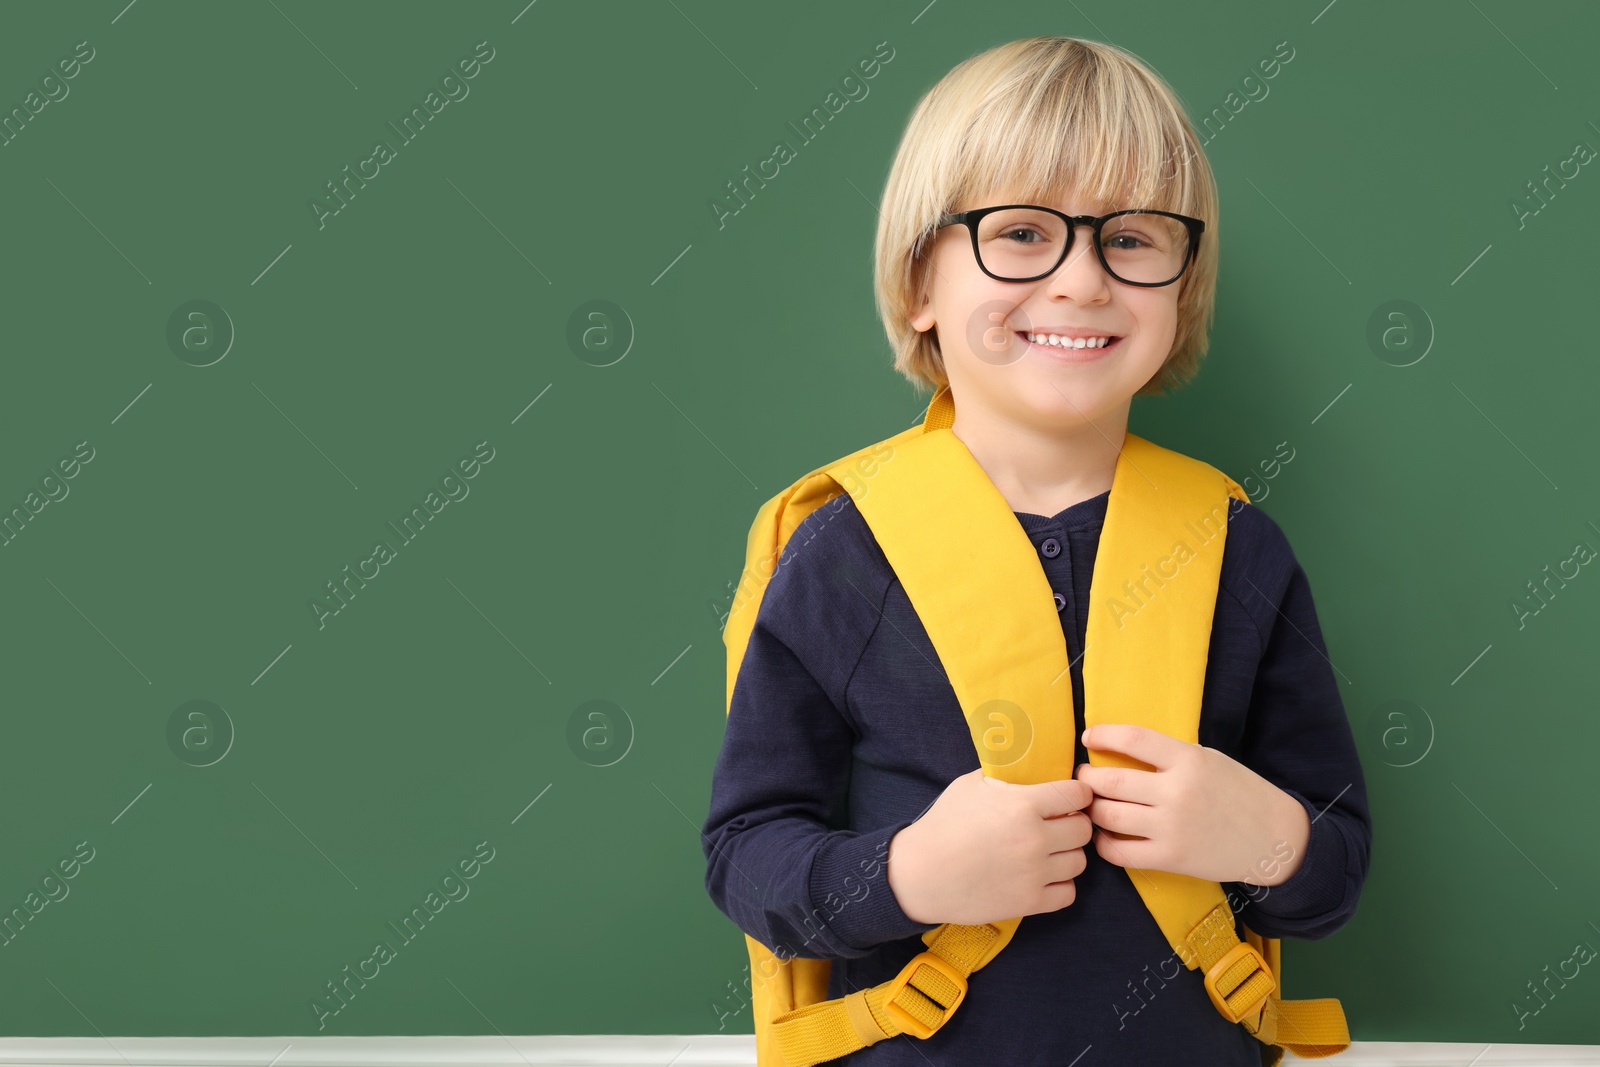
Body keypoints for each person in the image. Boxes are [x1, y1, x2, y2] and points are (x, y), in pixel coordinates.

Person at [701, 35, 1370, 1066]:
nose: (1079, 281)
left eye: (1134, 239)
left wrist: (1265, 839)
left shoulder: (1237, 545)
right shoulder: (842, 548)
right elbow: (746, 854)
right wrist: (908, 875)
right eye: (1017, 232)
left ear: (1180, 289)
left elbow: (1336, 866)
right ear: (919, 280)